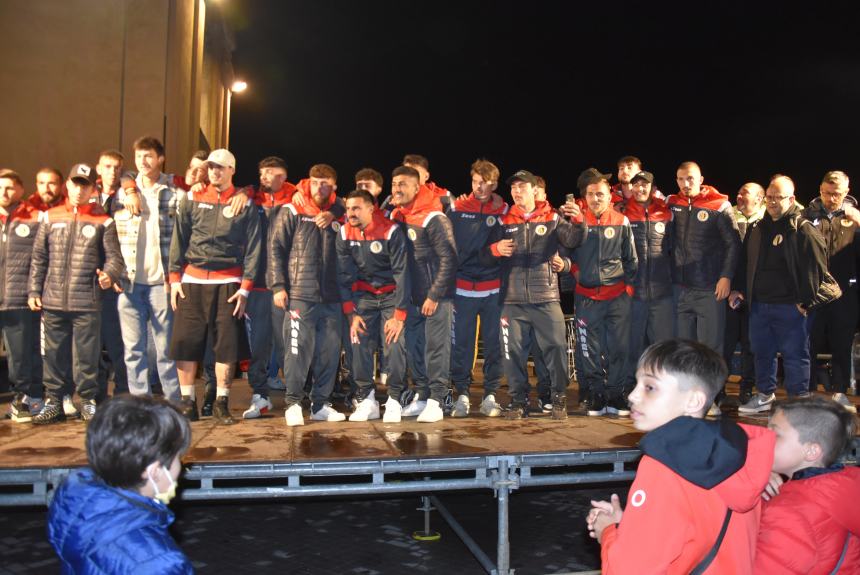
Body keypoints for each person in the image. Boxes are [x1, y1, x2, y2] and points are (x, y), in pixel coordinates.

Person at [586, 339, 775, 574]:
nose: (633, 396)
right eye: (637, 384)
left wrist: (609, 531)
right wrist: (633, 525)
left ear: (693, 400)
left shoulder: (664, 467)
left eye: (650, 387)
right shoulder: (741, 456)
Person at [47, 394, 193, 574]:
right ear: (154, 471)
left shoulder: (77, 496)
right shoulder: (159, 563)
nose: (180, 467)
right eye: (178, 459)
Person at [168, 149, 261, 425]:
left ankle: (221, 402)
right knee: (185, 344)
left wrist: (244, 288)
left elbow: (255, 249)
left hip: (228, 283)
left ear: (232, 169)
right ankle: (187, 402)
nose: (214, 172)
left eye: (220, 168)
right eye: (211, 167)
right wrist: (174, 279)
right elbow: (179, 239)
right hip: (191, 281)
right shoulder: (192, 197)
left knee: (227, 347)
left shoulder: (244, 203)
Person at [28, 163, 125, 424]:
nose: (79, 189)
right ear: (67, 186)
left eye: (85, 185)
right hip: (53, 300)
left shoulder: (104, 220)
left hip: (87, 301)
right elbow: (38, 257)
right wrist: (33, 290)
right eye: (75, 183)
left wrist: (109, 275)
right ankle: (54, 402)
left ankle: (87, 400)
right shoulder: (50, 217)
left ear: (93, 189)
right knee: (54, 354)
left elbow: (115, 259)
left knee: (87, 355)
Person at [489, 170, 587, 419]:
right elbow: (483, 254)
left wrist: (578, 220)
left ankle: (558, 399)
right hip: (512, 301)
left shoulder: (552, 218)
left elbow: (574, 240)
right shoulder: (504, 221)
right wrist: (495, 248)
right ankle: (518, 401)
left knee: (556, 347)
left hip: (546, 297)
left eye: (522, 187)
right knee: (512, 354)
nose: (517, 191)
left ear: (535, 190)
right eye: (513, 188)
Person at [732, 176, 829, 413]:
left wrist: (806, 302)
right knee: (762, 353)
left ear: (792, 199)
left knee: (795, 355)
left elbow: (818, 267)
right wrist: (740, 289)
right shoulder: (758, 228)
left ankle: (799, 403)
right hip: (760, 306)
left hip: (791, 307)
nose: (774, 202)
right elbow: (745, 262)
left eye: (779, 197)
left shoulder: (803, 228)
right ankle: (765, 395)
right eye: (770, 197)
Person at [269, 163, 346, 426]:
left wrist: (336, 212)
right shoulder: (293, 209)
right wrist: (278, 286)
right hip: (300, 294)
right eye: (315, 182)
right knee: (296, 351)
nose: (319, 187)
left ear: (334, 186)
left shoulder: (343, 211)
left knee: (329, 353)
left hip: (333, 297)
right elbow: (276, 248)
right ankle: (292, 403)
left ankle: (320, 405)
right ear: (308, 182)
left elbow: (353, 209)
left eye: (325, 183)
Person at [755, 396, 860, 572]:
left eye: (775, 434)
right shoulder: (843, 486)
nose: (764, 439)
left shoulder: (790, 513)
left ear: (812, 450)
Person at [390, 165, 458, 422]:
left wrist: (434, 295)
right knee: (416, 349)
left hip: (435, 298)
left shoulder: (434, 217)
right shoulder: (398, 216)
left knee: (436, 349)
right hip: (412, 298)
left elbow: (449, 259)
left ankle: (437, 401)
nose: (397, 188)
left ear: (417, 187)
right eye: (394, 183)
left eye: (403, 184)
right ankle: (422, 394)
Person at [337, 189, 410, 422]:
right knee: (358, 344)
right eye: (348, 208)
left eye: (356, 208)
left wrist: (398, 315)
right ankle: (366, 399)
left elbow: (402, 274)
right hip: (364, 297)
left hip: (391, 295)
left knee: (395, 345)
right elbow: (343, 275)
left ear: (371, 209)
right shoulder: (344, 232)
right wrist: (351, 314)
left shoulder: (391, 231)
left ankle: (395, 400)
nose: (351, 213)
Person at [570, 173, 637, 417]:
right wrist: (577, 274)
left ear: (610, 196)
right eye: (590, 194)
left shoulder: (622, 221)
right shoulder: (576, 222)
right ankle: (596, 394)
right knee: (589, 348)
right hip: (586, 298)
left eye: (600, 194)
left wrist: (628, 289)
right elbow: (567, 255)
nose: (595, 198)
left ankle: (616, 394)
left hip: (617, 297)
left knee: (619, 348)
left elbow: (631, 260)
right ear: (584, 197)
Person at [237, 156, 296, 419]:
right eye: (261, 173)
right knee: (258, 345)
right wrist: (244, 191)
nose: (263, 177)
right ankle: (259, 396)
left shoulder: (296, 201)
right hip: (258, 286)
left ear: (282, 177)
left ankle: (296, 396)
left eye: (269, 173)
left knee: (289, 345)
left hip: (287, 287)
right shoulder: (252, 200)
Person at [448, 159, 507, 418]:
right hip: (462, 289)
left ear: (494, 183)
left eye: (486, 182)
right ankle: (461, 393)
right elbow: (453, 253)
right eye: (476, 182)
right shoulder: (458, 208)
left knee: (495, 345)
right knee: (461, 344)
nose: (480, 187)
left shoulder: (503, 210)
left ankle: (490, 395)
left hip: (494, 290)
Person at [668, 162, 740, 357]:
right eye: (681, 179)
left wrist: (726, 276)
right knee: (683, 348)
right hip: (679, 288)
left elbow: (733, 244)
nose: (686, 183)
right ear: (676, 181)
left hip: (709, 288)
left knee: (710, 348)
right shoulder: (672, 203)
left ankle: (713, 388)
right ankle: (686, 388)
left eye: (690, 178)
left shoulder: (719, 205)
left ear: (700, 180)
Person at [804, 170, 860, 413]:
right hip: (814, 290)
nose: (831, 198)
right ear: (820, 189)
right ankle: (806, 391)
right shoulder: (808, 214)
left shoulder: (854, 216)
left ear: (846, 192)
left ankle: (840, 391)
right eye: (827, 193)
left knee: (842, 341)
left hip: (845, 291)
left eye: (837, 194)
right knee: (809, 341)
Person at [623, 171, 674, 397]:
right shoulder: (623, 213)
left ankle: (663, 391)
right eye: (636, 185)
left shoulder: (666, 212)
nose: (640, 189)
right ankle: (633, 391)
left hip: (663, 292)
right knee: (633, 346)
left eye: (645, 185)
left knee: (662, 346)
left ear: (653, 188)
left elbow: (676, 249)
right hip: (634, 293)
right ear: (631, 188)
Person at [0, 170, 42, 422]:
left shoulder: (33, 218)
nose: (4, 192)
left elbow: (40, 259)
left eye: (9, 188)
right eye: (0, 187)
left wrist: (34, 290)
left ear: (20, 190)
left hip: (18, 298)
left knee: (21, 356)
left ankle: (25, 400)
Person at [725, 182, 765, 405]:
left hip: (755, 295)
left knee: (751, 345)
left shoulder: (767, 221)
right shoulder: (729, 216)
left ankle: (747, 388)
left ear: (759, 198)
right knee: (726, 343)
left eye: (745, 193)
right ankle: (719, 389)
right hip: (729, 292)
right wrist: (731, 288)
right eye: (738, 192)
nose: (739, 196)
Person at [93, 150, 129, 399]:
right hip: (90, 278)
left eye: (117, 167)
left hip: (118, 279)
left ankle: (124, 391)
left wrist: (119, 275)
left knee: (118, 340)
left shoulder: (129, 195)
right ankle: (95, 394)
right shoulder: (87, 196)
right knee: (92, 341)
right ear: (99, 168)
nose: (112, 171)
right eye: (107, 166)